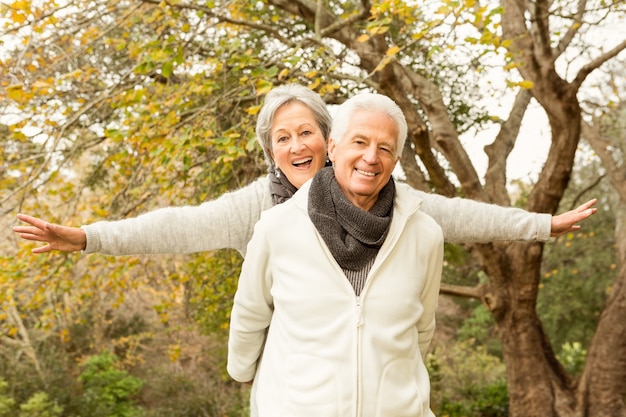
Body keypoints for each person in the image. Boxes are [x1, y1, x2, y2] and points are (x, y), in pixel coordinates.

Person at [13, 84, 597, 259]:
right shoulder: (257, 207)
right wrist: (88, 237)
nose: (296, 145)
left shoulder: (390, 198)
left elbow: (466, 216)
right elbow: (173, 226)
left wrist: (542, 224)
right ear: (273, 152)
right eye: (282, 138)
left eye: (306, 133)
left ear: (330, 140)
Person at [227, 92, 443, 416]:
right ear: (333, 147)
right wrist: (244, 373)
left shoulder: (425, 235)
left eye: (384, 148)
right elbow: (250, 312)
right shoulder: (277, 227)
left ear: (395, 162)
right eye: (359, 142)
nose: (371, 157)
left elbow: (422, 329)